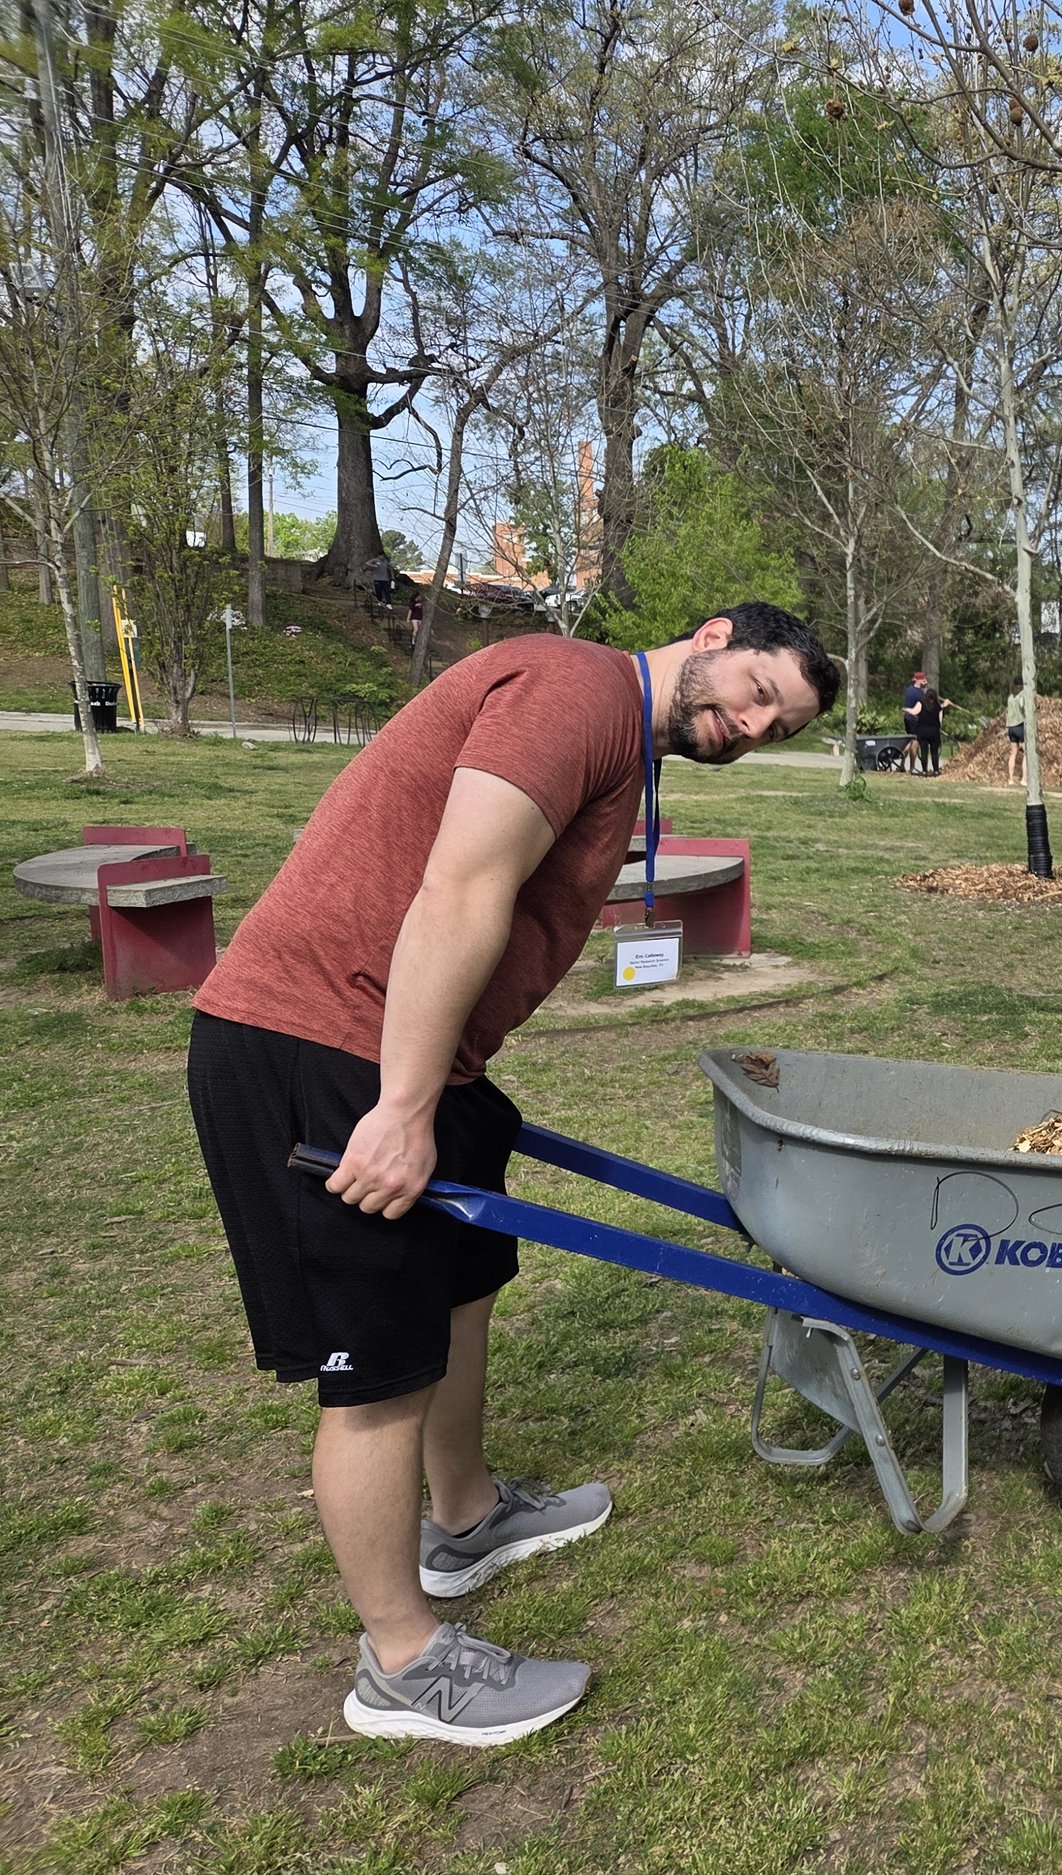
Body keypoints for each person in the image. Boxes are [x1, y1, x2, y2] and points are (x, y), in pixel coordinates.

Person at [186, 601, 840, 1748]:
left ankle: (468, 1516)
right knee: (378, 1364)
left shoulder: (617, 737)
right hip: (325, 1043)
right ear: (713, 632)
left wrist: (443, 1089)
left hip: (407, 1052)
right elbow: (459, 889)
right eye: (754, 691)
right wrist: (398, 1109)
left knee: (463, 1284)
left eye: (772, 728)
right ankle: (400, 1663)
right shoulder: (575, 691)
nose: (746, 725)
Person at [1004, 681, 1032, 786]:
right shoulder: (1021, 695)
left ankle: (1010, 779)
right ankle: (1024, 779)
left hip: (1010, 727)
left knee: (1014, 753)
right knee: (1026, 752)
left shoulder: (1010, 697)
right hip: (1020, 725)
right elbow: (1023, 705)